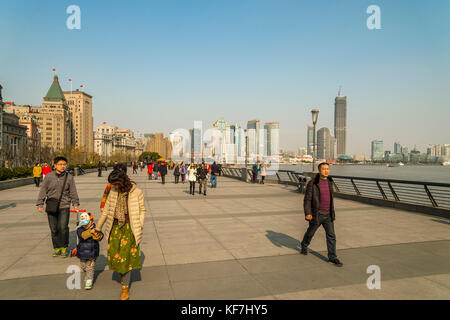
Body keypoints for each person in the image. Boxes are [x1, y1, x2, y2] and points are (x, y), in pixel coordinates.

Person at [95, 170, 146, 300]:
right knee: (115, 256)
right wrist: (98, 227)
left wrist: (140, 224)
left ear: (123, 181)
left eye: (116, 184)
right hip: (115, 228)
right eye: (113, 184)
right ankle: (122, 275)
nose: (115, 187)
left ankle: (125, 288)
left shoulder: (136, 192)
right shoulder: (113, 191)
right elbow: (106, 211)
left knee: (126, 259)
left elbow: (142, 209)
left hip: (129, 229)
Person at [300, 162, 343, 267]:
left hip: (328, 214)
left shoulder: (329, 181)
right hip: (317, 214)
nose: (326, 171)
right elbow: (307, 199)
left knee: (331, 236)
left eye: (327, 169)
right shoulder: (313, 183)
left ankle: (332, 257)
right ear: (319, 171)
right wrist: (308, 213)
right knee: (310, 233)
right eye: (324, 169)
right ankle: (304, 245)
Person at [36, 156, 80, 258]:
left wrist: (75, 204)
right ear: (55, 165)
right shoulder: (48, 176)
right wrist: (40, 203)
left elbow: (73, 191)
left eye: (64, 164)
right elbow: (43, 190)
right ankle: (57, 248)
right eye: (60, 164)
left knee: (63, 228)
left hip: (64, 205)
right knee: (54, 228)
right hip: (51, 206)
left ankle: (64, 247)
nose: (62, 166)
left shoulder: (69, 177)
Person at [75, 212, 104, 290]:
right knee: (83, 266)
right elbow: (82, 236)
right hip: (82, 252)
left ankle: (89, 280)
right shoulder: (80, 229)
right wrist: (90, 232)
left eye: (87, 223)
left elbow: (100, 237)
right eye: (83, 224)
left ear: (91, 221)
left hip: (92, 252)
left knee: (89, 267)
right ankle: (88, 275)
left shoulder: (96, 228)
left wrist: (96, 235)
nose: (85, 225)